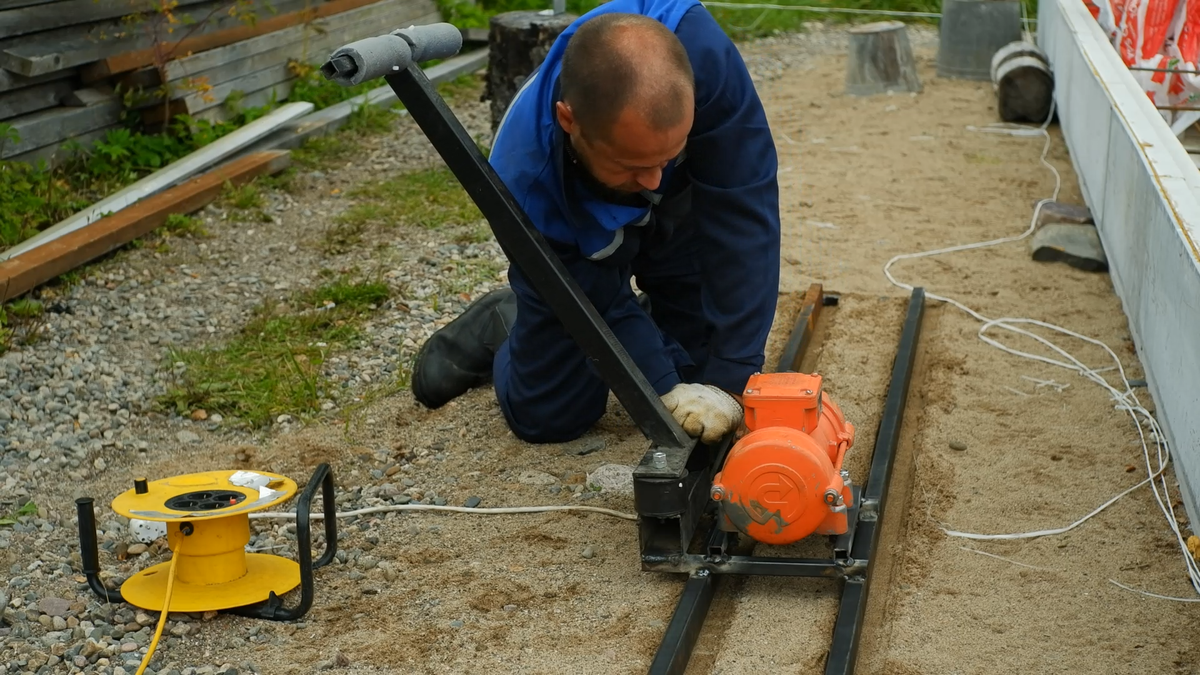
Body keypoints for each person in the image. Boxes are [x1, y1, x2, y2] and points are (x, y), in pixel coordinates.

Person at [410, 0, 781, 445]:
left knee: (700, 369)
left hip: (682, 211)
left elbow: (744, 212)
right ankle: (505, 316)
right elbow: (597, 298)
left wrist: (731, 381)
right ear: (571, 122)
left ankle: (655, 310)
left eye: (668, 156)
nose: (653, 180)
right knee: (552, 418)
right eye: (633, 164)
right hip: (579, 244)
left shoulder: (707, 62)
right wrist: (662, 382)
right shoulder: (525, 178)